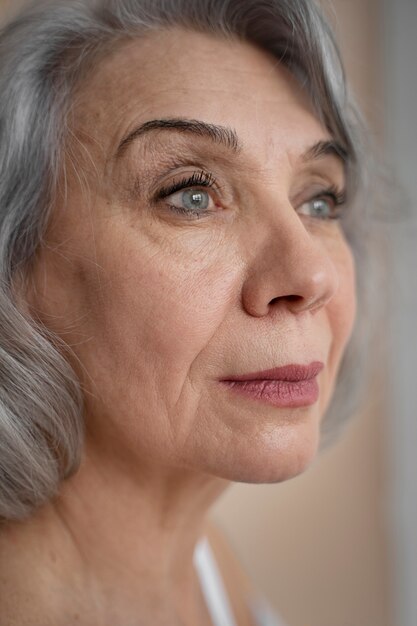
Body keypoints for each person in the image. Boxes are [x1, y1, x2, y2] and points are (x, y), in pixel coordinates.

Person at [0, 0, 372, 624]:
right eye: (192, 194)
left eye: (318, 201)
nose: (310, 276)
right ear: (16, 266)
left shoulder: (200, 554)